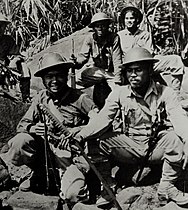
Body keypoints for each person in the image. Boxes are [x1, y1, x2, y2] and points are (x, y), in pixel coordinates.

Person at [73, 47, 188, 206]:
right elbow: (103, 118)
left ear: (149, 70)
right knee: (95, 140)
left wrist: (187, 138)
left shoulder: (165, 92)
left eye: (138, 70)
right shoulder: (119, 92)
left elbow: (178, 117)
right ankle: (108, 186)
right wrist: (82, 134)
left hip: (156, 147)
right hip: (129, 146)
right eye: (129, 70)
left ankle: (166, 186)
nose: (133, 75)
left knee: (177, 140)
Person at [7, 52, 99, 204]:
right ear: (43, 79)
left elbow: (99, 124)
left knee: (73, 195)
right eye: (49, 76)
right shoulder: (41, 98)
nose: (54, 81)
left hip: (70, 157)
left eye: (59, 75)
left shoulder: (81, 98)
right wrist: (33, 128)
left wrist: (76, 131)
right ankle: (39, 172)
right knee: (19, 141)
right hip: (45, 153)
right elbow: (22, 125)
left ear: (66, 76)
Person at [117, 6, 185, 95]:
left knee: (175, 60)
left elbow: (149, 52)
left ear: (137, 20)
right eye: (126, 18)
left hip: (147, 62)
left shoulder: (145, 34)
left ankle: (175, 93)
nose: (129, 21)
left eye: (132, 18)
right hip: (129, 64)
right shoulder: (119, 35)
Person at [72, 12, 122, 108]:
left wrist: (118, 80)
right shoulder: (90, 38)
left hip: (112, 73)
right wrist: (76, 62)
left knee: (119, 93)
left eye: (103, 25)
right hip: (97, 71)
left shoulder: (114, 38)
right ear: (94, 28)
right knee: (72, 83)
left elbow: (117, 60)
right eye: (97, 26)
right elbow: (83, 56)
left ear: (107, 26)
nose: (100, 28)